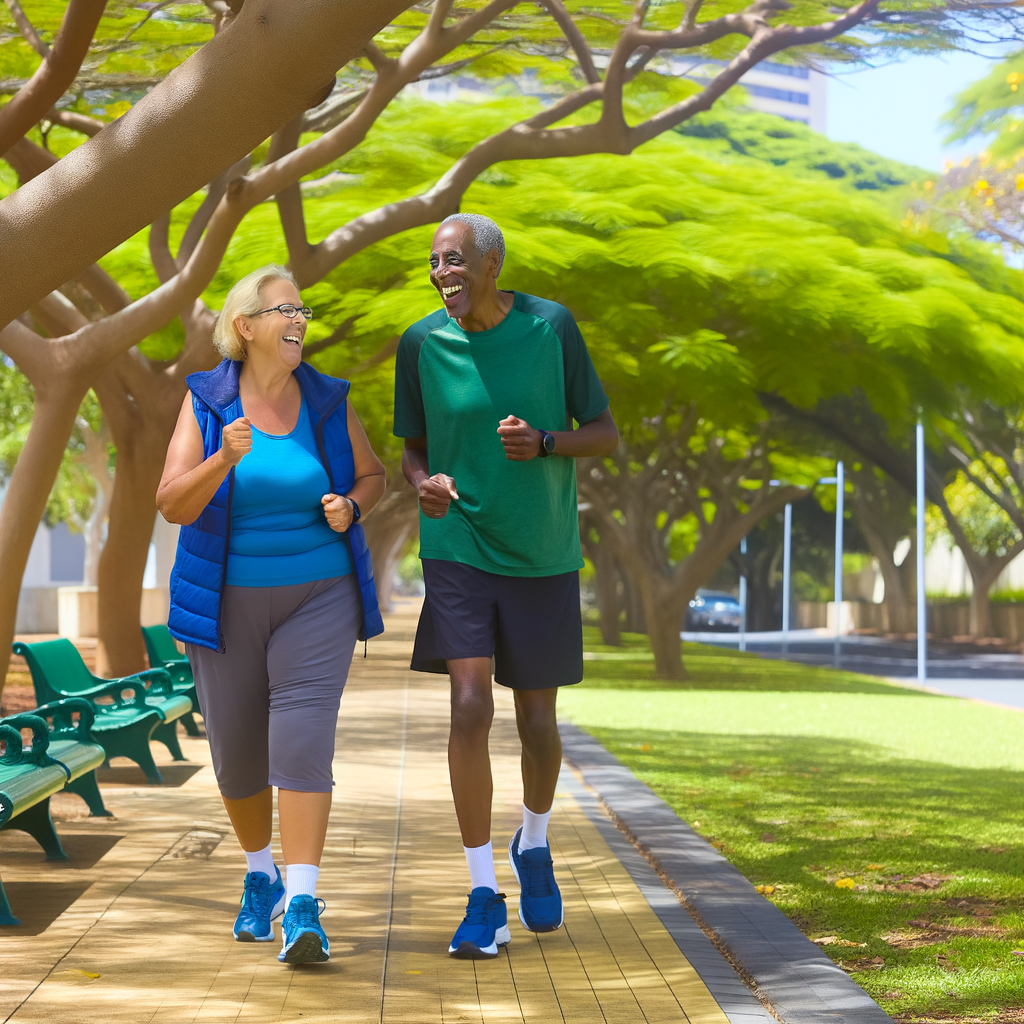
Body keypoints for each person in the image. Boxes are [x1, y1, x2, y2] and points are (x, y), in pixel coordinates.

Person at [394, 214, 619, 959]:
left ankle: (535, 839)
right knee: (467, 706)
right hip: (458, 544)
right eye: (433, 263)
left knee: (538, 726)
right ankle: (483, 892)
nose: (441, 273)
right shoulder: (421, 344)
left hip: (543, 552)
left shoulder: (551, 328)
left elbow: (605, 431)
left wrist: (547, 442)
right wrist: (424, 485)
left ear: (492, 264)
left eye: (453, 260)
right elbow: (413, 449)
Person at [157, 264, 385, 965]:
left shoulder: (326, 399)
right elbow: (172, 503)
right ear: (245, 326)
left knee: (301, 740)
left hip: (319, 594)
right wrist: (222, 458)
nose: (299, 320)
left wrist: (353, 505)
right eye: (284, 308)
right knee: (238, 756)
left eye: (303, 309)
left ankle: (307, 903)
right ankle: (262, 877)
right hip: (224, 604)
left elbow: (371, 476)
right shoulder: (206, 401)